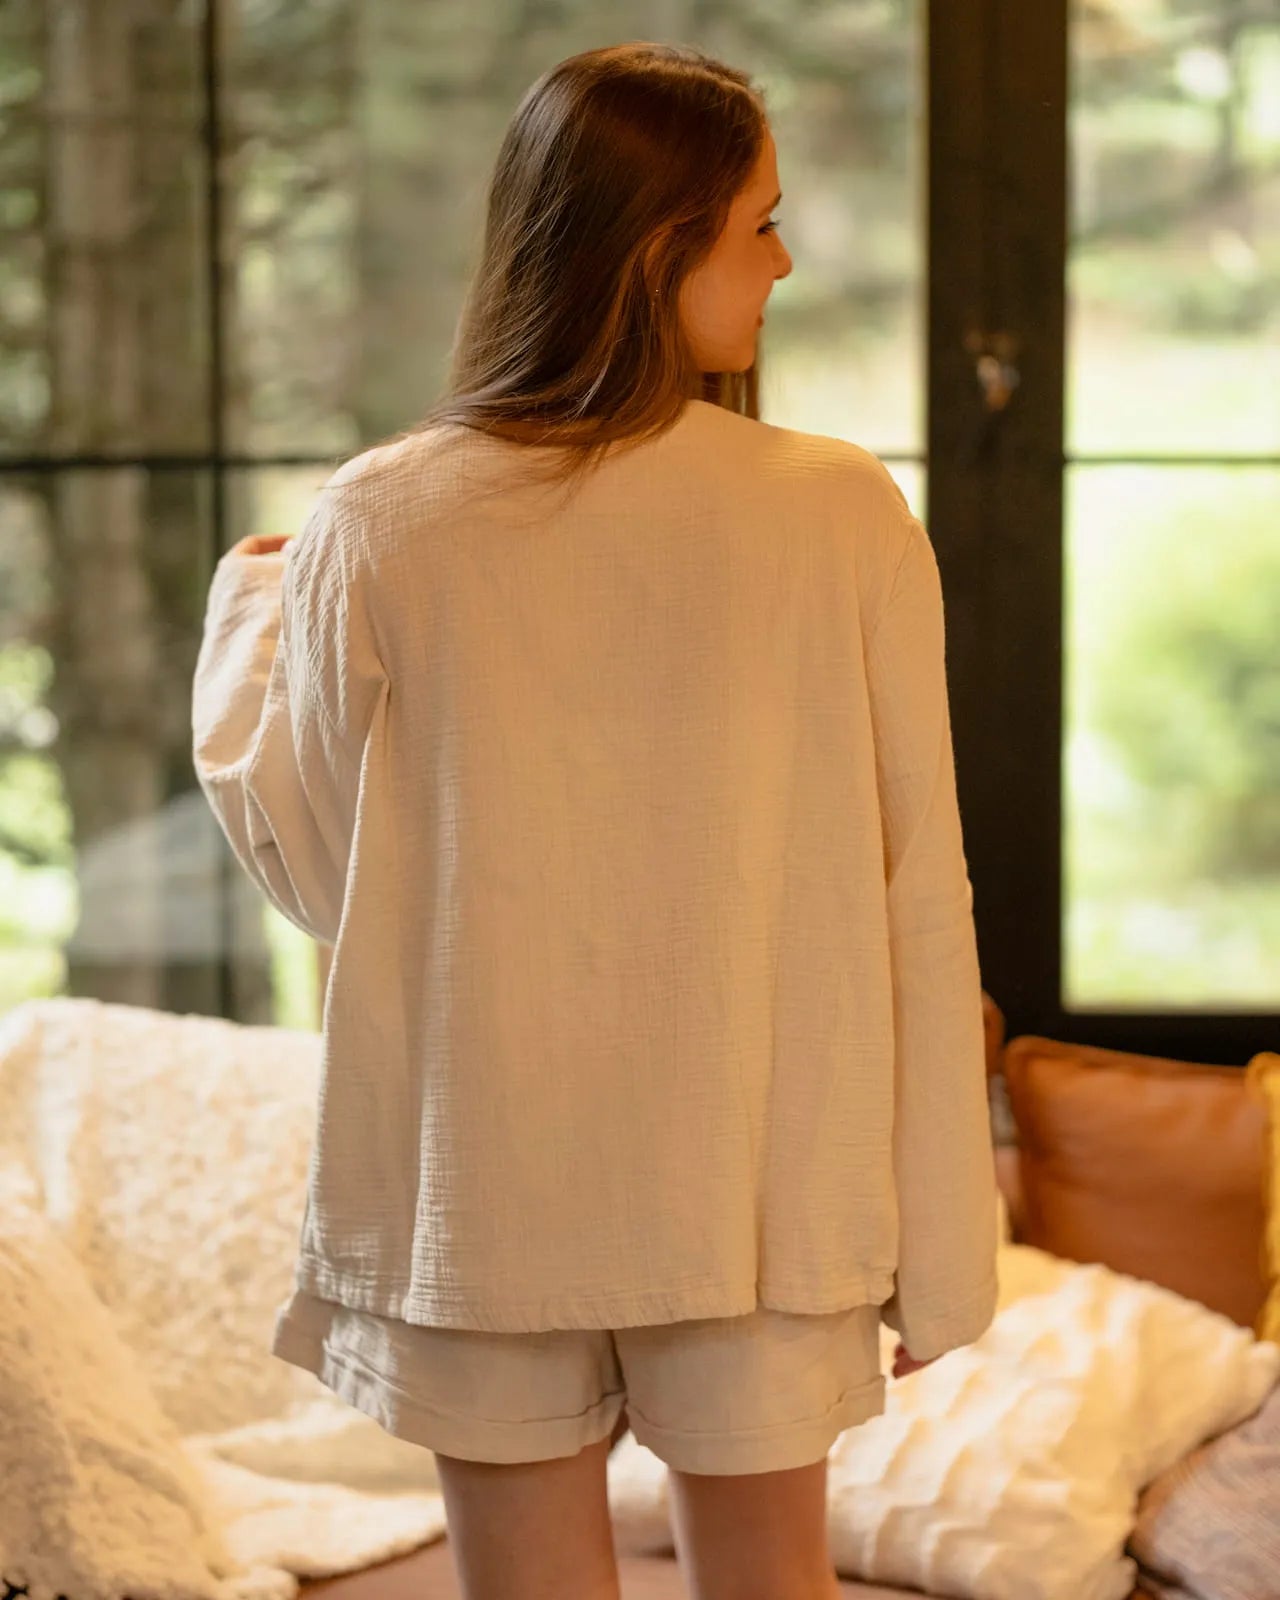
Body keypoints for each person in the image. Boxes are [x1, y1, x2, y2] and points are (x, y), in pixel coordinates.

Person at [192, 40, 999, 1600]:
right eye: (759, 222)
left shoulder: (378, 515)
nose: (785, 258)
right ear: (655, 249)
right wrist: (940, 1243)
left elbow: (324, 874)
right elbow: (922, 892)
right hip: (765, 1172)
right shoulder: (839, 512)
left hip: (481, 1177)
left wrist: (251, 609)